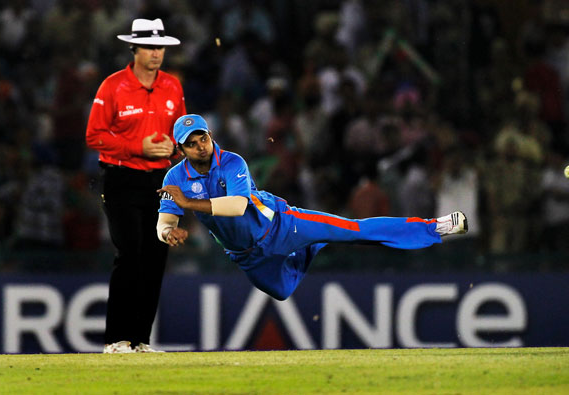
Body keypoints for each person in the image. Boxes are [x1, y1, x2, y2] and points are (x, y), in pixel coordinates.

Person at [156, 114, 468, 302]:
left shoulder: (232, 161)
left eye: (203, 138)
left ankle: (435, 227)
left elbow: (237, 207)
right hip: (247, 255)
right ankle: (312, 246)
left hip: (282, 225)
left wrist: (188, 204)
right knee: (281, 291)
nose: (201, 145)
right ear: (180, 149)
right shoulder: (175, 177)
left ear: (210, 136)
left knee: (355, 230)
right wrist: (167, 232)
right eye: (192, 143)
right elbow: (164, 220)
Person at [85, 18, 186, 354]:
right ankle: (116, 339)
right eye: (149, 46)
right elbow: (94, 135)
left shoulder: (172, 86)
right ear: (135, 49)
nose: (156, 53)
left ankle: (140, 339)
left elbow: (181, 132)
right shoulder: (112, 86)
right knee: (129, 252)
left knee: (155, 256)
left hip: (160, 181)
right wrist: (136, 148)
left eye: (160, 47)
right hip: (122, 178)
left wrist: (174, 146)